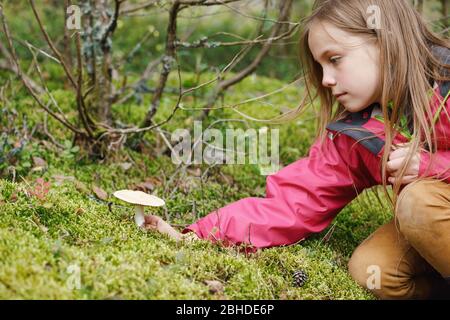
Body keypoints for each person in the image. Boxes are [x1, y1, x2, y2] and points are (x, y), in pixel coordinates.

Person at [144, 0, 450, 299]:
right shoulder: (358, 131)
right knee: (373, 271)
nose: (326, 80)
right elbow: (293, 202)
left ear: (384, 41)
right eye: (320, 66)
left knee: (417, 203)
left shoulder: (445, 83)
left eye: (335, 59)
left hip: (427, 209)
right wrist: (198, 236)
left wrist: (431, 167)